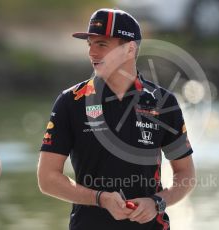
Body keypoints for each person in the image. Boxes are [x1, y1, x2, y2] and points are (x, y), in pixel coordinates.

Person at [37, 8, 195, 230]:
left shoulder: (163, 102)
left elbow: (185, 173)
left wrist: (157, 202)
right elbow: (47, 178)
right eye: (89, 44)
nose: (92, 52)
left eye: (101, 44)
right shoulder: (70, 102)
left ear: (130, 49)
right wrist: (100, 198)